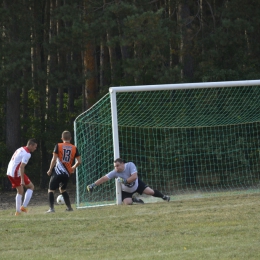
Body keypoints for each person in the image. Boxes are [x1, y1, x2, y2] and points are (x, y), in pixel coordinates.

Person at [87, 158, 170, 205]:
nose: (116, 168)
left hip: (137, 184)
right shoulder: (115, 172)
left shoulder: (130, 165)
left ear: (123, 163)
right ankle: (133, 199)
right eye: (115, 166)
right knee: (128, 203)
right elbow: (104, 178)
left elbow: (134, 177)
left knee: (150, 192)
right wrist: (93, 185)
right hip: (125, 190)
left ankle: (164, 197)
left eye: (118, 166)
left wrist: (125, 180)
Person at [46, 130, 81, 213]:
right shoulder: (74, 148)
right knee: (63, 190)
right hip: (67, 173)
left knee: (51, 190)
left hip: (58, 172)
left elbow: (54, 159)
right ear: (70, 138)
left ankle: (51, 208)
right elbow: (79, 161)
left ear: (62, 138)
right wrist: (73, 167)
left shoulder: (58, 145)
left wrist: (50, 169)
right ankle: (69, 207)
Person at [7, 139, 38, 216]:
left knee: (20, 191)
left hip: (9, 171)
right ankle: (23, 208)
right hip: (16, 173)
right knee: (31, 187)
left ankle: (18, 212)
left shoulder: (20, 148)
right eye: (35, 147)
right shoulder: (27, 154)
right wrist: (22, 180)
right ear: (30, 145)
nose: (35, 148)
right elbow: (21, 167)